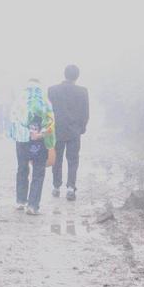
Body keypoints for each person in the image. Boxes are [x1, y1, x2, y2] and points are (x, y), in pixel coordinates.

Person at [7, 78, 56, 215]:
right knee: (38, 172)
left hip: (22, 141)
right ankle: (33, 205)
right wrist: (41, 134)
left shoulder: (19, 102)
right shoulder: (45, 102)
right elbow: (51, 123)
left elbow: (12, 122)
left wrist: (22, 134)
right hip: (38, 141)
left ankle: (21, 201)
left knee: (22, 168)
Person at [48, 65, 89, 200]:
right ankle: (71, 188)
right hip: (74, 131)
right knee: (73, 160)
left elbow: (49, 112)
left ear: (64, 74)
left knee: (57, 159)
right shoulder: (83, 92)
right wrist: (81, 128)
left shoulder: (52, 90)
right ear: (77, 76)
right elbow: (85, 113)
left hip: (57, 130)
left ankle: (56, 186)